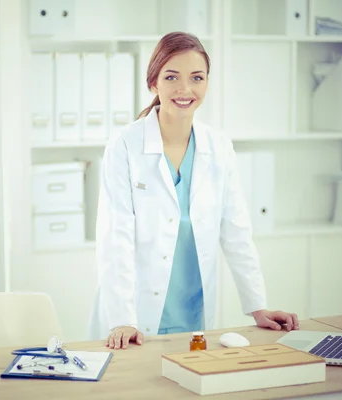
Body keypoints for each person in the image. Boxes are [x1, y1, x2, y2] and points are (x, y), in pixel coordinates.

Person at [87, 31, 299, 350]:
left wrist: (258, 306)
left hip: (193, 314)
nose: (185, 89)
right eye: (172, 77)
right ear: (154, 83)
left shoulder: (219, 147)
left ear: (206, 84)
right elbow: (114, 237)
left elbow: (236, 232)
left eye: (196, 78)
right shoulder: (124, 145)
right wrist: (121, 317)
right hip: (133, 316)